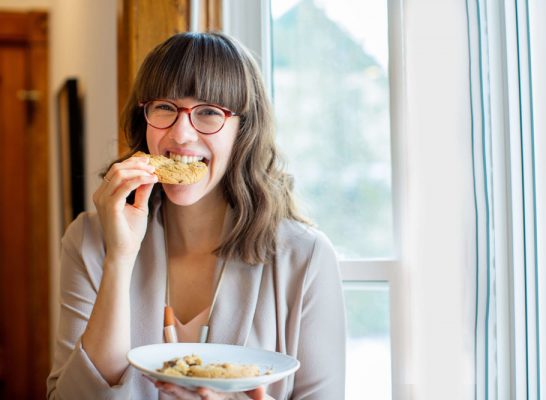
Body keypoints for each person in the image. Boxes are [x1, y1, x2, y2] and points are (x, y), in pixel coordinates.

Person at [46, 32, 346, 400]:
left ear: (244, 130)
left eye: (208, 112)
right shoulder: (90, 240)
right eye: (164, 107)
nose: (181, 134)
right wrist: (119, 259)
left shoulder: (306, 257)